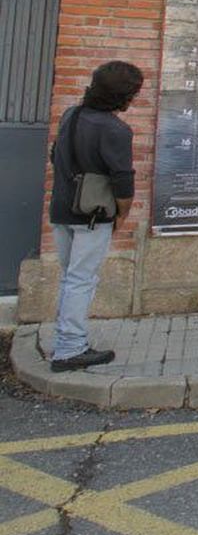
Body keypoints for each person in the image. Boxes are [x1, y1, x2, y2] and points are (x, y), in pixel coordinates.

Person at [47, 61, 143, 373]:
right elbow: (123, 181)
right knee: (81, 279)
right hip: (92, 213)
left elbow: (55, 154)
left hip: (62, 207)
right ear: (123, 96)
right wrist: (122, 215)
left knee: (70, 277)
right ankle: (70, 348)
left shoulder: (71, 115)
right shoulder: (115, 130)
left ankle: (64, 339)